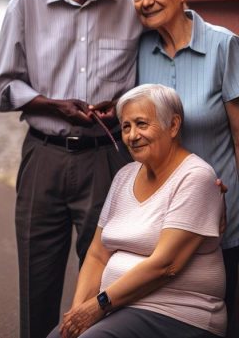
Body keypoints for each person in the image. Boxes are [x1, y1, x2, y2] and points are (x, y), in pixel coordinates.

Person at [0, 0, 143, 338]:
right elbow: (5, 86)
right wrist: (54, 105)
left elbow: (151, 74)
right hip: (42, 155)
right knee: (35, 277)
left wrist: (122, 105)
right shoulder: (27, 2)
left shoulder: (131, 4)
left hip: (107, 159)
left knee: (107, 278)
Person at [48, 84, 225, 338]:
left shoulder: (195, 177)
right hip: (120, 308)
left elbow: (166, 265)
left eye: (142, 124)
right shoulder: (124, 175)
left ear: (173, 126)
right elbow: (98, 254)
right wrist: (78, 312)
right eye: (126, 127)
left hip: (176, 313)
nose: (132, 135)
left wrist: (97, 306)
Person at [127, 0, 239, 332]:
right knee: (169, 317)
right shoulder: (142, 50)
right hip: (164, 217)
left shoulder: (224, 46)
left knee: (226, 314)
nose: (146, 2)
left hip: (223, 213)